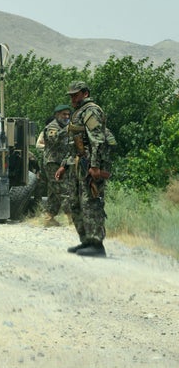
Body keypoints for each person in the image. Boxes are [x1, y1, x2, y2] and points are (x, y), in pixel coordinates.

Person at [55, 81, 112, 257]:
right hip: (77, 164)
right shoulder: (78, 113)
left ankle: (96, 244)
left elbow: (97, 140)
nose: (72, 98)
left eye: (76, 94)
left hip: (88, 165)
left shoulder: (91, 110)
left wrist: (95, 166)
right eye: (71, 95)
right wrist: (64, 165)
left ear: (85, 94)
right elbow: (75, 144)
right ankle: (86, 241)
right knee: (75, 203)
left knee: (91, 203)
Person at [38, 104, 72, 227]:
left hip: (63, 163)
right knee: (64, 190)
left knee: (54, 191)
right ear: (57, 115)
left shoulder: (66, 127)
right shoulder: (52, 127)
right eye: (64, 114)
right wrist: (68, 130)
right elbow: (54, 138)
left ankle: (48, 218)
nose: (67, 117)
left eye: (68, 114)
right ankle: (72, 220)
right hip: (53, 163)